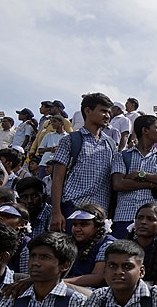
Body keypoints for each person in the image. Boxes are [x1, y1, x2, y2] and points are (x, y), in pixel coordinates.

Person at [49, 93, 118, 232]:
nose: (107, 116)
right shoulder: (70, 140)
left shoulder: (110, 144)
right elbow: (57, 178)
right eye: (103, 111)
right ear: (87, 111)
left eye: (108, 112)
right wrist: (56, 212)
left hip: (100, 212)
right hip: (73, 207)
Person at [111, 114, 157, 239]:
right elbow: (118, 184)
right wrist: (152, 184)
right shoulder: (122, 156)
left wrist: (142, 175)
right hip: (125, 216)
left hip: (155, 219)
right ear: (145, 130)